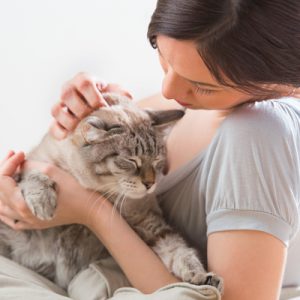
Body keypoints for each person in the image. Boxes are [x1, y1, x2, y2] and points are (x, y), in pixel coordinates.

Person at [0, 0, 299, 299]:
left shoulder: (260, 132)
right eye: (164, 57)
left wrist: (94, 213)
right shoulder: (183, 103)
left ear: (274, 77)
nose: (168, 90)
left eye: (201, 85)